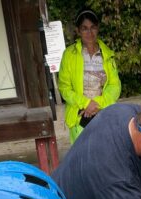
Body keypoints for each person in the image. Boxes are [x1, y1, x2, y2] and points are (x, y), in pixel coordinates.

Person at [57, 8, 121, 143]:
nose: (89, 32)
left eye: (93, 27)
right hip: (80, 115)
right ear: (78, 31)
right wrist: (86, 103)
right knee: (83, 159)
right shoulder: (69, 55)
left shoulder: (107, 54)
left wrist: (96, 104)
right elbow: (64, 88)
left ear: (98, 28)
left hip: (102, 113)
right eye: (84, 28)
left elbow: (114, 86)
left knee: (104, 156)